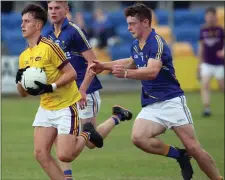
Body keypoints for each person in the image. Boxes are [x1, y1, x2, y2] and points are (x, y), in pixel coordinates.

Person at [88, 3, 223, 180]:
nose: (128, 28)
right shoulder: (136, 45)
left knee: (194, 148)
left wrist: (126, 74)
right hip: (152, 103)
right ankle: (179, 155)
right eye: (127, 24)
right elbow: (131, 61)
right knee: (138, 138)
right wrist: (104, 65)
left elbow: (152, 72)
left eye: (132, 24)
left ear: (145, 22)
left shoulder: (157, 42)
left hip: (171, 100)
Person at [43, 1, 133, 179]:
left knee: (91, 142)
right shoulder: (49, 34)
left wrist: (82, 89)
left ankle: (117, 116)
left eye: (57, 8)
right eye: (50, 8)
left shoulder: (75, 31)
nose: (53, 12)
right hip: (63, 94)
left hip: (85, 90)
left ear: (67, 10)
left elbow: (94, 63)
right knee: (59, 134)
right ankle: (67, 176)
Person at [16, 4, 105, 180]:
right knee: (40, 154)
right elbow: (23, 94)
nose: (22, 25)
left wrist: (51, 87)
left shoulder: (50, 47)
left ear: (38, 26)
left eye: (27, 21)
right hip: (46, 108)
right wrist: (20, 81)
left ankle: (87, 132)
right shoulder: (24, 56)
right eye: (22, 21)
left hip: (66, 105)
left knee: (65, 155)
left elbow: (71, 74)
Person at [198, 7, 224, 117]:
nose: (210, 18)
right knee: (205, 85)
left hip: (219, 63)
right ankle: (206, 108)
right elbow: (201, 47)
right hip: (207, 62)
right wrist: (199, 63)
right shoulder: (203, 30)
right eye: (208, 16)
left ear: (215, 17)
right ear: (205, 17)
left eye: (212, 16)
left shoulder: (221, 30)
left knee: (222, 86)